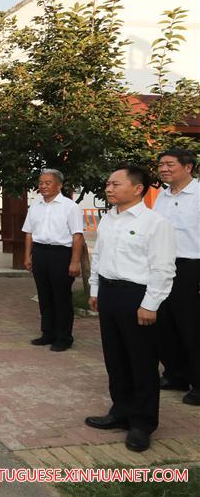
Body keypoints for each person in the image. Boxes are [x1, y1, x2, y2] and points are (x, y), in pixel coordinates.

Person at [85, 165, 176, 453]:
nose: (109, 188)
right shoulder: (109, 219)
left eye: (115, 184)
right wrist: (96, 290)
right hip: (110, 294)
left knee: (142, 361)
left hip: (137, 297)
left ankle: (142, 423)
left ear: (137, 188)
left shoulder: (155, 222)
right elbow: (99, 256)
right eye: (108, 183)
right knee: (116, 358)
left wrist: (150, 304)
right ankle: (120, 411)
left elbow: (163, 268)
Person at [153, 148, 200, 405]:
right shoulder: (162, 196)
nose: (163, 169)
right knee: (164, 325)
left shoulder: (199, 195)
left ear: (188, 167)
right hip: (163, 267)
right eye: (161, 165)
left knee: (192, 328)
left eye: (170, 164)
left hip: (191, 268)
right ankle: (175, 374)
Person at [22, 169, 85, 351]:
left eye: (48, 183)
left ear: (59, 185)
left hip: (61, 254)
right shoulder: (35, 206)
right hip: (40, 253)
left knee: (61, 297)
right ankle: (47, 333)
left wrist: (74, 261)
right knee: (44, 296)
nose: (43, 186)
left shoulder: (69, 206)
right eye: (41, 183)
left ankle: (64, 337)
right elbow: (29, 233)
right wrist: (28, 256)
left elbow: (77, 236)